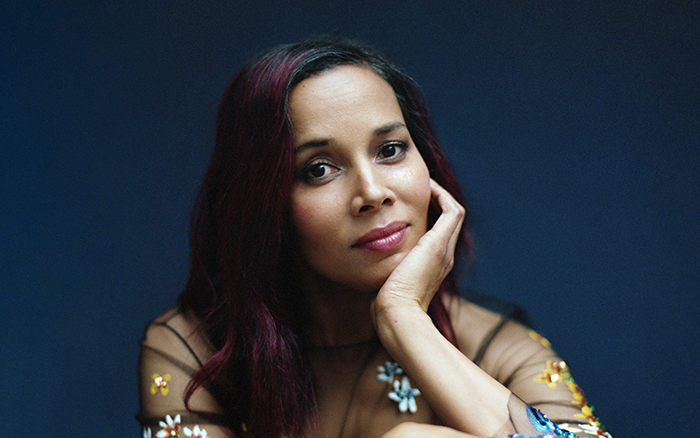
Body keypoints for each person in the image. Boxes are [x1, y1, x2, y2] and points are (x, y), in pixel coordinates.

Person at [137, 35, 612, 438]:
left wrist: (405, 318)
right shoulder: (196, 351)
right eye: (319, 169)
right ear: (265, 203)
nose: (372, 192)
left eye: (390, 150)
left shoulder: (500, 348)